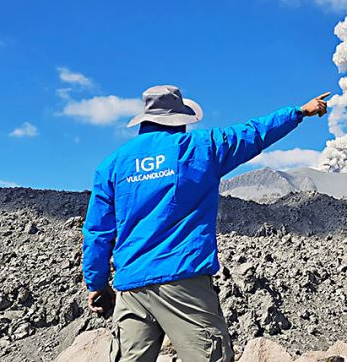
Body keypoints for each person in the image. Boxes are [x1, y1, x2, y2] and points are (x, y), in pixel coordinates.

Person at [82, 85, 330, 362]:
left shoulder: (113, 165)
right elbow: (253, 132)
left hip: (132, 287)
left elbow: (97, 232)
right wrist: (299, 112)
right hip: (184, 281)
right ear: (180, 119)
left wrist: (97, 283)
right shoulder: (202, 147)